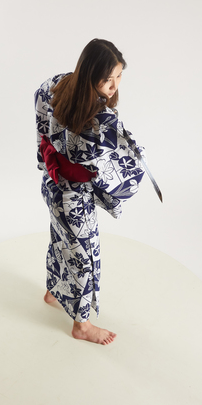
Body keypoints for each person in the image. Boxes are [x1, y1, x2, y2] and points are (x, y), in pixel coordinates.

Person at [34, 38, 145, 345]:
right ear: (89, 74)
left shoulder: (54, 86)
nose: (114, 85)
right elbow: (117, 168)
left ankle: (53, 290)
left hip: (52, 185)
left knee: (60, 239)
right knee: (85, 257)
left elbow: (44, 129)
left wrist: (50, 157)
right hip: (74, 199)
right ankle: (81, 325)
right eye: (107, 79)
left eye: (119, 76)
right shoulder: (100, 121)